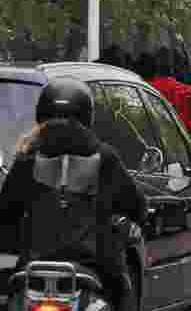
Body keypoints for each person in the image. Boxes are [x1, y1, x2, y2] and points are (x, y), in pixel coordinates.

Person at [0, 77, 147, 311]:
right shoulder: (105, 157)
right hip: (94, 267)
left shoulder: (26, 158)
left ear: (41, 113)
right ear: (87, 115)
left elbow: (5, 211)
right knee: (123, 292)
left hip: (34, 268)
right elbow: (136, 205)